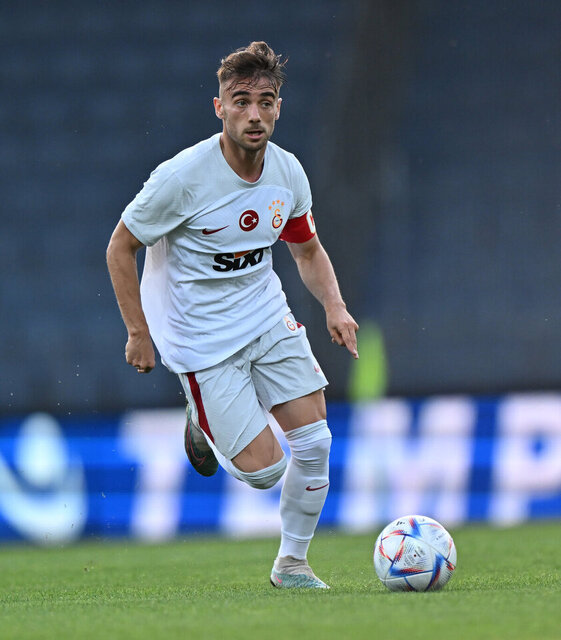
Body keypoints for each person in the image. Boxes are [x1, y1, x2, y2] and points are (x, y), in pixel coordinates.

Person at [106, 41, 359, 589]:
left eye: (265, 102)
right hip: (199, 337)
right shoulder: (181, 178)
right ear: (219, 107)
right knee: (266, 472)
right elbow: (120, 247)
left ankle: (292, 565)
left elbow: (307, 251)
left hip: (263, 314)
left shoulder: (287, 174)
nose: (254, 114)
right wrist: (137, 332)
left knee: (316, 443)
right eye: (241, 102)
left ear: (278, 108)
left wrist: (335, 307)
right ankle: (202, 421)